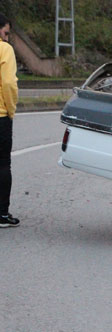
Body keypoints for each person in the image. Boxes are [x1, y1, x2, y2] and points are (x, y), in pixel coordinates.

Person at [0, 14, 18, 227]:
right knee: (3, 163)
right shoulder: (5, 50)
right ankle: (2, 214)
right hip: (1, 115)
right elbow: (8, 83)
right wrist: (10, 109)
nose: (7, 38)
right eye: (5, 32)